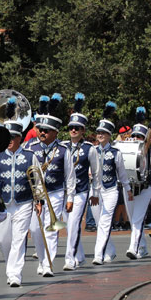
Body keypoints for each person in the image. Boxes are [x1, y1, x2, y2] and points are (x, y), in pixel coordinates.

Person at [24, 94, 74, 277]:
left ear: (55, 132)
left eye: (46, 130)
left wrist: (70, 198)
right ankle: (42, 259)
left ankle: (48, 263)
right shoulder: (31, 147)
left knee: (51, 228)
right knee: (35, 228)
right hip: (36, 195)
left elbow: (70, 176)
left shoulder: (63, 150)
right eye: (40, 129)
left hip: (55, 193)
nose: (42, 133)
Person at [0, 99, 37, 286]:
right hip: (2, 204)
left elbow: (37, 181)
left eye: (13, 137)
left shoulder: (30, 156)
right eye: (7, 137)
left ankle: (14, 274)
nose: (9, 141)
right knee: (3, 240)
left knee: (19, 239)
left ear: (19, 138)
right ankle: (11, 268)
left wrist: (40, 201)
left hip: (24, 202)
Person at [89, 103, 131, 264]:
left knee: (106, 221)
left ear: (109, 135)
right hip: (95, 191)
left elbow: (122, 173)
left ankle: (98, 255)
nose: (100, 135)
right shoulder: (92, 150)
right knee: (100, 223)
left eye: (103, 133)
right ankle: (110, 251)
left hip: (111, 189)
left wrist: (127, 189)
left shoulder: (116, 153)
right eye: (98, 132)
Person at [63, 94, 92, 269]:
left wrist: (95, 192)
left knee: (73, 224)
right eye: (71, 127)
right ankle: (80, 255)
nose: (73, 130)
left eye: (77, 128)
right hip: (65, 192)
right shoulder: (62, 146)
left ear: (83, 131)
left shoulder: (90, 148)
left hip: (80, 191)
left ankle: (70, 259)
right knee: (69, 226)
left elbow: (95, 172)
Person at [124, 108, 151, 259]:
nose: (135, 138)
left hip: (144, 189)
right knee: (133, 220)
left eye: (139, 136)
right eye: (134, 135)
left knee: (137, 220)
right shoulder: (124, 151)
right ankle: (142, 247)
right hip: (128, 189)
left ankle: (133, 249)